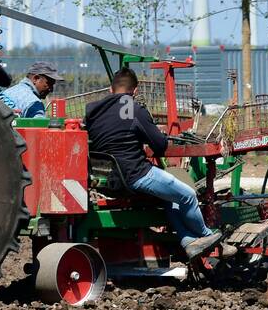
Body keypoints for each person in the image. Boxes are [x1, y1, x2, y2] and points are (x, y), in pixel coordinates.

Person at [85, 68, 234, 260]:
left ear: (110, 89)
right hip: (135, 175)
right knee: (188, 195)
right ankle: (208, 237)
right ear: (136, 91)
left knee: (169, 198)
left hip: (107, 180)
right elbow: (160, 145)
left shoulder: (93, 111)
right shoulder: (131, 108)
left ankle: (189, 242)